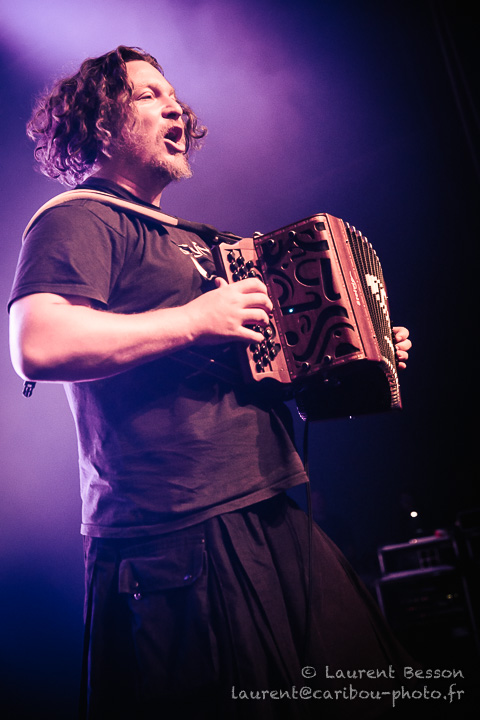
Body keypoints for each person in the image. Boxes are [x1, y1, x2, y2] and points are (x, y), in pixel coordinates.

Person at [9, 46, 413, 719]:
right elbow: (38, 343)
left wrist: (359, 350)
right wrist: (197, 320)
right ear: (100, 123)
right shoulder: (77, 217)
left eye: (176, 97)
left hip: (270, 504)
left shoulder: (198, 240)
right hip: (180, 529)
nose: (176, 108)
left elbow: (270, 368)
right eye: (149, 95)